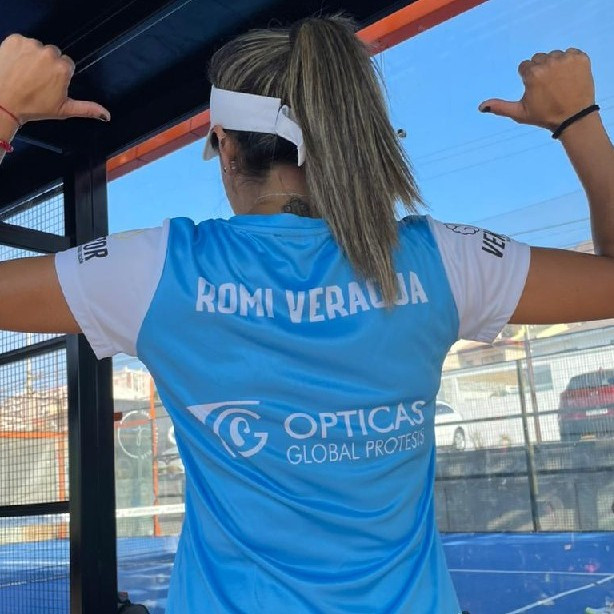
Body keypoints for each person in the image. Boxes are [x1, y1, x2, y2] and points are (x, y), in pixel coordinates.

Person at [0, 15, 612, 614]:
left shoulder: (163, 269)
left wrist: (5, 111)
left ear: (225, 146)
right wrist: (577, 120)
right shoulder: (442, 261)